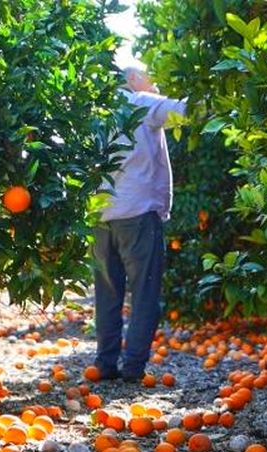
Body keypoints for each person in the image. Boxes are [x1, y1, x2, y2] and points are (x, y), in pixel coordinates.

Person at [91, 64, 187, 381]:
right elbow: (184, 111)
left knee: (107, 295)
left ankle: (105, 365)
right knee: (145, 294)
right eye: (149, 75)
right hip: (136, 217)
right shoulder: (140, 102)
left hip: (100, 218)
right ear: (132, 80)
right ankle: (132, 368)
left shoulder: (94, 110)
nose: (153, 81)